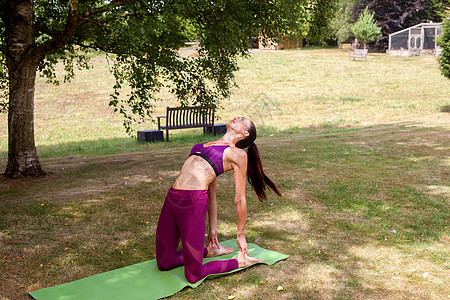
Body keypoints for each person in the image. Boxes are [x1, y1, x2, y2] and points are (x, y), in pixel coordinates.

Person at [155, 117, 281, 283]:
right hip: (172, 198)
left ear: (244, 133)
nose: (237, 117)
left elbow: (240, 199)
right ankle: (209, 251)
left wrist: (240, 234)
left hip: (192, 203)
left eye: (242, 119)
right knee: (164, 263)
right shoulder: (200, 146)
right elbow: (212, 194)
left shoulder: (237, 154)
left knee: (194, 274)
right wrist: (212, 230)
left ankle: (239, 262)